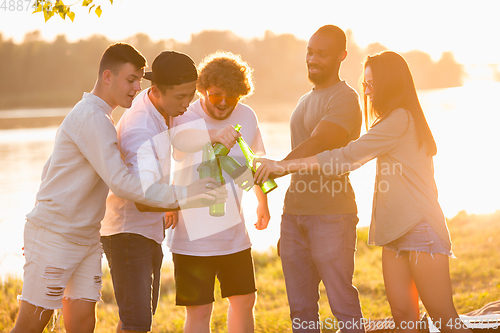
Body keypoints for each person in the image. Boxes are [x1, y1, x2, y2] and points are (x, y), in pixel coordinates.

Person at [10, 43, 226, 333]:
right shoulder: (92, 118)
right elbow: (122, 183)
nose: (137, 87)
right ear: (107, 76)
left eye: (139, 79)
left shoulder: (104, 118)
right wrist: (187, 193)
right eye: (130, 79)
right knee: (31, 325)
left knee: (84, 323)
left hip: (86, 236)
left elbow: (51, 170)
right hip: (56, 235)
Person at [254, 51, 471, 333]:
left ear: (390, 83)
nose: (366, 91)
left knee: (444, 319)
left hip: (421, 229)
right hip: (394, 233)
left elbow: (347, 156)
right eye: (364, 83)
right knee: (404, 316)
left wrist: (284, 166)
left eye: (371, 84)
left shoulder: (401, 119)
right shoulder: (390, 120)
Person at [257, 25, 365, 332]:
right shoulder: (306, 99)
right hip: (294, 215)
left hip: (331, 214)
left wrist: (278, 166)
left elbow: (320, 141)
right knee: (301, 310)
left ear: (342, 56)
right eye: (310, 51)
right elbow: (303, 147)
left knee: (342, 303)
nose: (312, 59)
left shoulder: (345, 98)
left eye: (322, 54)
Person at [167, 51, 270, 333]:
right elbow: (177, 145)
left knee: (245, 300)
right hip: (192, 236)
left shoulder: (247, 116)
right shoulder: (185, 113)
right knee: (200, 310)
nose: (223, 102)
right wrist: (213, 134)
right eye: (216, 95)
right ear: (202, 90)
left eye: (231, 97)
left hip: (233, 233)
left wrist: (262, 202)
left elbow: (255, 163)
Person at [100, 50, 202, 333]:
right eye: (180, 97)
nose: (187, 104)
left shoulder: (164, 109)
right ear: (155, 90)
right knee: (136, 322)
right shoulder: (139, 129)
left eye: (190, 95)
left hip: (147, 231)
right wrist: (194, 198)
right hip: (128, 234)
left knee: (138, 318)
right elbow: (143, 200)